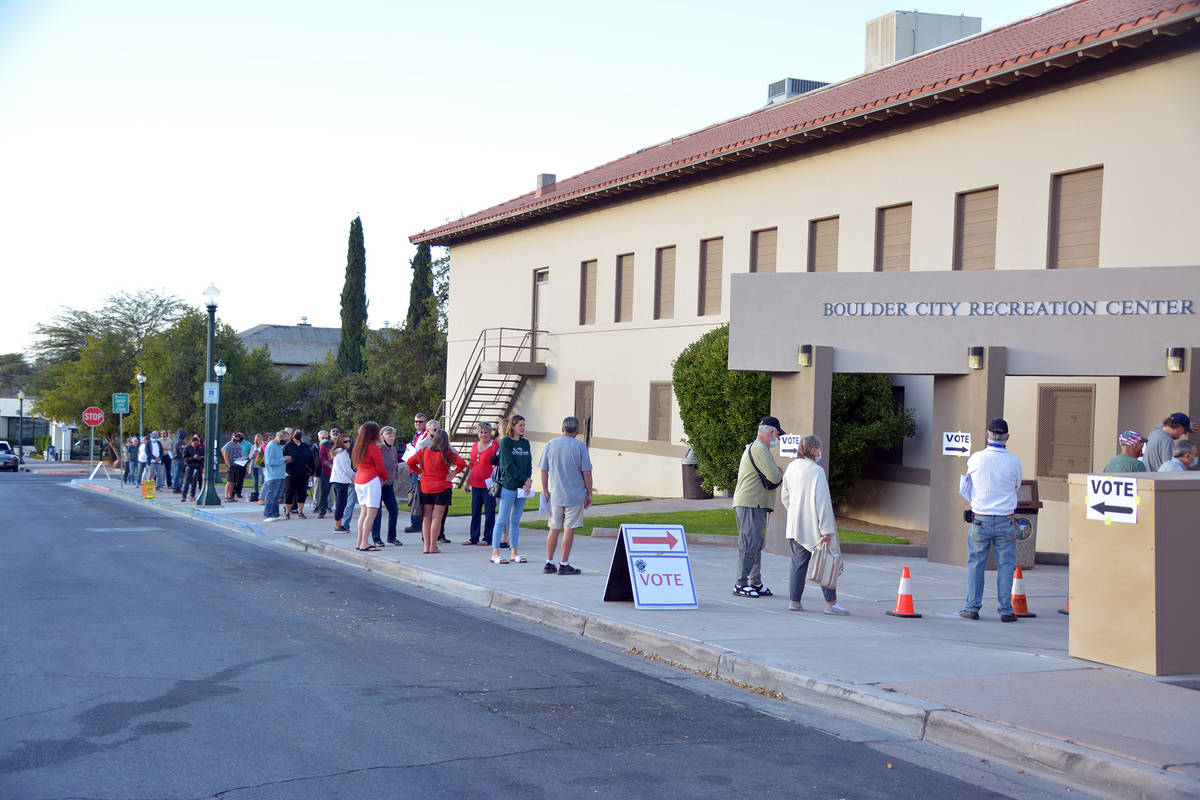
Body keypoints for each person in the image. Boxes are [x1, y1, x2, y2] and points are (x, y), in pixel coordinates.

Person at [958, 418, 1022, 622]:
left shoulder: (976, 459)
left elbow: (966, 488)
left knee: (976, 564)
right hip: (1005, 519)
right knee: (1006, 565)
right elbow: (1016, 487)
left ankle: (972, 608)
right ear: (1007, 438)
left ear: (987, 436)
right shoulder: (1014, 461)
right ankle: (1005, 610)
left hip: (980, 520)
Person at [781, 434, 848, 614]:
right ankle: (832, 604)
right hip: (814, 528)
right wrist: (826, 530)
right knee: (826, 562)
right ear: (813, 450)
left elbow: (785, 496)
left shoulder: (792, 467)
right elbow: (823, 502)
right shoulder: (816, 471)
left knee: (798, 564)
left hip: (795, 525)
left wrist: (795, 511)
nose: (821, 451)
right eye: (819, 448)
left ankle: (794, 601)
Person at [732, 416, 785, 598]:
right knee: (748, 544)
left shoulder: (757, 448)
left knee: (755, 544)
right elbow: (774, 476)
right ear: (770, 432)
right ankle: (740, 584)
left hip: (755, 503)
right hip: (750, 504)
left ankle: (755, 582)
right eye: (777, 434)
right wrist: (779, 471)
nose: (777, 439)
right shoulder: (760, 449)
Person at [538, 416, 593, 575]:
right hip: (574, 495)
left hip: (556, 495)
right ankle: (564, 563)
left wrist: (545, 490)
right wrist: (589, 493)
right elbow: (587, 472)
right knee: (569, 529)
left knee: (553, 529)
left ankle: (549, 562)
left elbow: (543, 469)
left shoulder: (551, 444)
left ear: (562, 429)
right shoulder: (580, 446)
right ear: (577, 431)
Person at [407, 429, 467, 554]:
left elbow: (409, 462)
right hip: (442, 487)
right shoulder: (447, 453)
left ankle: (426, 546)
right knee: (437, 518)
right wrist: (453, 473)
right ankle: (433, 546)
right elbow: (462, 463)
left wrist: (419, 472)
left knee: (426, 517)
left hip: (426, 486)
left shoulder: (423, 452)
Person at [490, 414, 533, 565]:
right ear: (513, 426)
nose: (523, 428)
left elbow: (528, 463)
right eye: (520, 425)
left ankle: (514, 552)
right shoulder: (506, 442)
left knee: (515, 521)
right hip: (509, 486)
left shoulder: (525, 443)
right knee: (502, 519)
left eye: (524, 425)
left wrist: (528, 480)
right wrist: (524, 479)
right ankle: (495, 553)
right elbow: (507, 466)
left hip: (522, 488)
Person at [352, 421, 387, 552]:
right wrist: (386, 477)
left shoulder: (358, 446)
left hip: (359, 480)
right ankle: (365, 543)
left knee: (363, 512)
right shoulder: (373, 448)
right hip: (371, 480)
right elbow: (380, 466)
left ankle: (359, 541)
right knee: (371, 513)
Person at [464, 422, 499, 546]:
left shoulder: (494, 445)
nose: (483, 435)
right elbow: (472, 465)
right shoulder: (474, 446)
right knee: (475, 510)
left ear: (490, 433)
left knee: (489, 511)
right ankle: (474, 537)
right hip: (475, 483)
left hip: (489, 484)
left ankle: (488, 538)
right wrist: (467, 482)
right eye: (481, 432)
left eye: (486, 432)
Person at [371, 426, 403, 546]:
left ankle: (392, 537)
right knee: (377, 512)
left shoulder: (393, 449)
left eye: (393, 435)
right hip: (378, 484)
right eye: (389, 435)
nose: (392, 437)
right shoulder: (378, 448)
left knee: (394, 510)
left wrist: (394, 477)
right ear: (382, 436)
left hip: (389, 484)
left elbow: (395, 464)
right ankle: (376, 538)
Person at [330, 433, 358, 532]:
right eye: (345, 441)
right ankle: (337, 526)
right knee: (341, 504)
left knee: (341, 503)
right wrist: (354, 477)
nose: (348, 443)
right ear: (340, 443)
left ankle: (339, 524)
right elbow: (346, 469)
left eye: (349, 441)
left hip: (340, 480)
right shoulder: (341, 452)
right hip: (340, 481)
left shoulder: (343, 452)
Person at [405, 413, 428, 533]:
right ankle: (418, 521)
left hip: (418, 469)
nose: (418, 424)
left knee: (416, 496)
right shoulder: (416, 435)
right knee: (415, 495)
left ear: (425, 423)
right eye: (416, 421)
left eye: (421, 421)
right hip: (413, 468)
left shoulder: (425, 435)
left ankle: (416, 522)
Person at [282, 428, 311, 519]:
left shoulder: (305, 446)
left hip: (303, 473)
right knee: (289, 493)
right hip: (291, 474)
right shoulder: (288, 446)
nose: (298, 435)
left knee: (302, 493)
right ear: (292, 435)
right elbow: (284, 458)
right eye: (296, 433)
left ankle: (300, 512)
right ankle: (287, 512)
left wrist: (310, 470)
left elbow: (310, 458)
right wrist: (287, 470)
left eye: (299, 433)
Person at [261, 430, 287, 522]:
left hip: (280, 474)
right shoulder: (271, 446)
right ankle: (268, 514)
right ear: (280, 437)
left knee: (277, 496)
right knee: (271, 495)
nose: (286, 441)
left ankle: (275, 514)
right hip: (273, 475)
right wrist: (283, 459)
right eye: (285, 439)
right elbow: (269, 462)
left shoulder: (278, 446)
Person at [315, 429, 334, 518]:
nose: (335, 434)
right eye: (333, 432)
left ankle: (340, 510)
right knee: (324, 492)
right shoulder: (325, 445)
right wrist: (330, 465)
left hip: (338, 473)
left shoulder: (339, 444)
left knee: (339, 492)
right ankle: (322, 511)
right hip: (326, 472)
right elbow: (322, 457)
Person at [221, 432, 244, 502]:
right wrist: (229, 465)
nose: (236, 439)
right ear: (232, 437)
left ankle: (230, 496)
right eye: (235, 437)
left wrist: (243, 460)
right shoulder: (228, 445)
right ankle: (226, 496)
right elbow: (226, 455)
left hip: (236, 465)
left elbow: (240, 455)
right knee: (229, 481)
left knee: (234, 481)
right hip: (230, 465)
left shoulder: (238, 446)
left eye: (237, 437)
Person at [181, 434, 204, 501]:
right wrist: (193, 458)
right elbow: (185, 458)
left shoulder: (199, 449)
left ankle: (192, 496)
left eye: (196, 443)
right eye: (194, 443)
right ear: (191, 442)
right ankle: (184, 496)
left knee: (194, 482)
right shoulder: (187, 448)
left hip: (197, 467)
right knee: (187, 482)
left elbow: (202, 457)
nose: (195, 444)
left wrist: (200, 459)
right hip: (190, 466)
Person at [249, 433, 265, 499]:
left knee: (262, 480)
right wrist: (253, 454)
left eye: (259, 439)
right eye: (257, 440)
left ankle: (263, 494)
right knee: (255, 481)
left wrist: (260, 453)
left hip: (260, 465)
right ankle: (256, 494)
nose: (258, 441)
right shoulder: (253, 446)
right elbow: (250, 457)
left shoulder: (264, 446)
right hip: (254, 466)